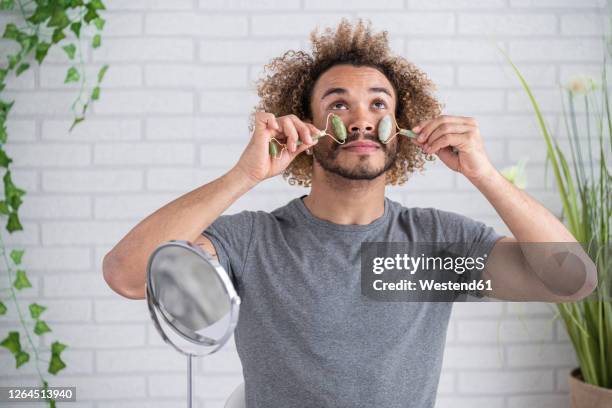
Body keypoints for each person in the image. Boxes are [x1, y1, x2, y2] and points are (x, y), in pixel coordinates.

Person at [103, 19, 597, 408]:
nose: (362, 116)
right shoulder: (251, 241)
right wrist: (243, 177)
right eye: (339, 102)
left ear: (400, 131)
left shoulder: (433, 244)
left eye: (379, 104)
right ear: (306, 127)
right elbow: (127, 275)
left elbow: (573, 281)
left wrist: (484, 173)